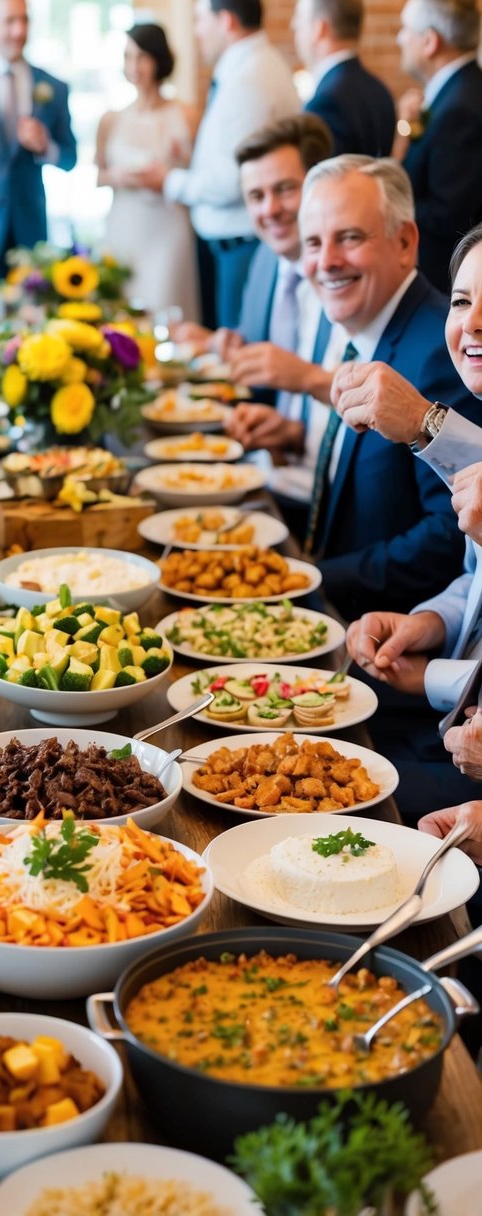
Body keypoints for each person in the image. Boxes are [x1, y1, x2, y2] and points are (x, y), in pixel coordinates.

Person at [338, 223, 482, 813]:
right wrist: (430, 624)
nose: (472, 324)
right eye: (463, 301)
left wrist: (426, 422)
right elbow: (477, 578)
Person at [296, 154, 470, 623]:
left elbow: (453, 533)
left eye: (349, 237)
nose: (325, 261)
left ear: (404, 242)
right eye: (312, 242)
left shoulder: (442, 348)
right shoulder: (365, 331)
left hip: (396, 637)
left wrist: (311, 577)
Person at [135, 0, 300, 329]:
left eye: (200, 20)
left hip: (241, 248)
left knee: (239, 354)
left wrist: (169, 181)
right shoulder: (249, 67)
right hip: (236, 245)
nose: (196, 32)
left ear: (225, 21)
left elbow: (232, 179)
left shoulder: (249, 79)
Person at [212, 114, 334, 536]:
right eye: (256, 195)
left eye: (285, 189)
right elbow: (261, 374)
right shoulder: (265, 260)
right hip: (270, 468)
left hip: (321, 502)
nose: (270, 210)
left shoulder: (344, 280)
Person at [0, 0, 77, 292]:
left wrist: (46, 145)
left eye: (24, 21)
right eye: (9, 21)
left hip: (30, 230)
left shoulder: (52, 86)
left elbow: (70, 158)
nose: (19, 31)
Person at [95, 23, 199, 319]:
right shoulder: (111, 119)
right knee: (123, 308)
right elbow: (98, 173)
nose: (134, 66)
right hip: (125, 224)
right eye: (128, 57)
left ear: (158, 59)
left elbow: (200, 173)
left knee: (167, 304)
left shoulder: (185, 115)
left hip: (167, 225)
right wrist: (118, 177)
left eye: (142, 57)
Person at [394, 0, 482, 293]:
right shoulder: (455, 91)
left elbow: (450, 217)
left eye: (406, 29)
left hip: (443, 284)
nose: (399, 38)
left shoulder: (460, 107)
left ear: (430, 41)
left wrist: (391, 208)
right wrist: (406, 128)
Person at [292, 0, 395, 157]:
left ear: (319, 29)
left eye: (299, 19)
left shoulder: (325, 103)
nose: (293, 25)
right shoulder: (378, 88)